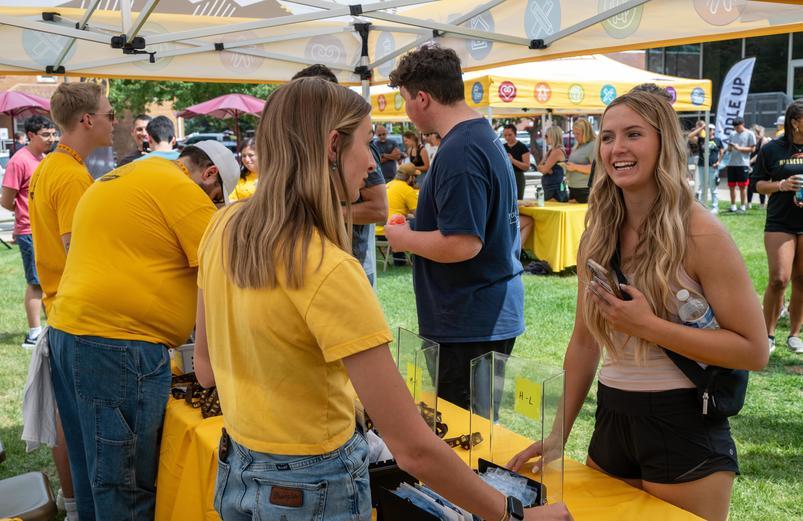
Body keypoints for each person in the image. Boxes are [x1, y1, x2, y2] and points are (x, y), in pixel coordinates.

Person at [193, 77, 570, 521]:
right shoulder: (327, 267)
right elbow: (413, 449)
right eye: (366, 143)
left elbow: (205, 369)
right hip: (313, 488)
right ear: (333, 146)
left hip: (238, 468)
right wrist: (513, 515)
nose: (371, 163)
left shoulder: (224, 227)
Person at [508, 90, 768, 521]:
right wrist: (558, 435)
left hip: (684, 423)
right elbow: (584, 342)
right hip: (613, 419)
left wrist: (648, 326)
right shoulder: (598, 232)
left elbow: (753, 350)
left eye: (633, 134)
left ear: (663, 142)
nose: (617, 148)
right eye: (608, 137)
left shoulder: (701, 233)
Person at [46, 140, 238, 520]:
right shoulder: (183, 191)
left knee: (91, 474)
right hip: (117, 348)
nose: (213, 207)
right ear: (210, 174)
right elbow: (228, 273)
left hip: (68, 333)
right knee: (125, 486)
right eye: (216, 198)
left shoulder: (127, 174)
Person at [383, 45, 525, 411]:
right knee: (475, 427)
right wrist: (419, 226)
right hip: (478, 313)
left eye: (405, 100)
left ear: (423, 98)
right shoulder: (480, 137)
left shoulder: (460, 150)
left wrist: (405, 238)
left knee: (466, 434)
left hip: (468, 319)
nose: (407, 111)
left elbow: (463, 243)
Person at [29, 81, 114, 521]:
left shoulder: (50, 166)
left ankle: (82, 507)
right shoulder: (70, 175)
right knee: (94, 440)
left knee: (78, 432)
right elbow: (77, 248)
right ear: (87, 120)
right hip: (78, 318)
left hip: (60, 311)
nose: (112, 122)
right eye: (109, 114)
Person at [293, 63, 388, 284]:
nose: (372, 164)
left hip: (349, 257)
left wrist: (321, 212)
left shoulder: (354, 144)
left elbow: (379, 209)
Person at [753, 99, 803, 354]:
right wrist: (780, 186)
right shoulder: (773, 149)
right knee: (778, 279)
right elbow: (757, 184)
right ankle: (768, 334)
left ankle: (794, 334)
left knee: (802, 278)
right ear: (795, 122)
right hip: (780, 221)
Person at [1, 115, 55, 347]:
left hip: (43, 228)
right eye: (46, 134)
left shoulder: (43, 158)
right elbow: (6, 200)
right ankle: (33, 334)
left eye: (53, 134)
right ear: (31, 135)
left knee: (46, 279)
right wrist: (24, 213)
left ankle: (49, 328)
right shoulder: (18, 161)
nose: (51, 139)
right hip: (29, 230)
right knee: (35, 282)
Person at [724, 117, 756, 213]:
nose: (736, 129)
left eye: (738, 127)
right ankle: (733, 206)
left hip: (743, 164)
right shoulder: (732, 134)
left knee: (743, 187)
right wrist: (730, 147)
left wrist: (739, 148)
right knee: (731, 186)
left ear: (743, 124)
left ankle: (742, 206)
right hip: (731, 163)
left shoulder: (750, 134)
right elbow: (729, 150)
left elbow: (752, 149)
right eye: (735, 127)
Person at [565, 118, 596, 203]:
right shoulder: (578, 145)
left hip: (584, 190)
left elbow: (595, 168)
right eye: (574, 133)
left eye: (578, 134)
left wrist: (575, 167)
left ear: (586, 132)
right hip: (573, 188)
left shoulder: (593, 145)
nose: (575, 136)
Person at [537, 126, 568, 202]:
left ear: (553, 136)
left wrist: (545, 169)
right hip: (550, 188)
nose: (544, 138)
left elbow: (543, 170)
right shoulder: (551, 151)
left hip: (555, 190)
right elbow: (539, 166)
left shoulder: (557, 151)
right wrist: (547, 169)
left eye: (546, 136)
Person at [503, 124, 531, 200]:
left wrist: (512, 160)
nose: (507, 137)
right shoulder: (502, 147)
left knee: (517, 202)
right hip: (505, 177)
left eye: (510, 135)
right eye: (505, 135)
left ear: (515, 134)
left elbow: (526, 167)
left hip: (518, 177)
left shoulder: (522, 147)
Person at [747, 124, 769, 209]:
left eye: (756, 132)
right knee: (749, 184)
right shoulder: (751, 140)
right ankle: (749, 203)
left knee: (761, 183)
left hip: (760, 164)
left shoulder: (764, 140)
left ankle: (762, 203)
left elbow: (760, 154)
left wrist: (750, 161)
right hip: (750, 165)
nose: (755, 134)